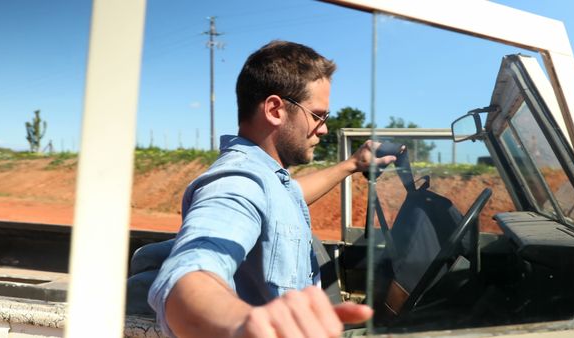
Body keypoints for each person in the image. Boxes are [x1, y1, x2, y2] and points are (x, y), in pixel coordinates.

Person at [148, 40, 396, 338]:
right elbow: (188, 275)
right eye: (318, 116)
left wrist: (353, 164)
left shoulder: (269, 181)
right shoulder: (238, 182)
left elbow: (289, 195)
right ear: (275, 109)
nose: (324, 128)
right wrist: (244, 324)